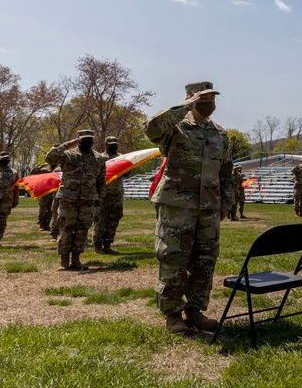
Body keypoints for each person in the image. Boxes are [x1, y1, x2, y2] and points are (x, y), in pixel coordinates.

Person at [145, 82, 234, 333]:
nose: (210, 103)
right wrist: (182, 107)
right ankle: (172, 314)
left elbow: (226, 171)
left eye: (212, 98)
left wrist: (225, 203)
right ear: (191, 99)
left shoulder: (220, 133)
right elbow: (151, 128)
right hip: (177, 204)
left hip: (208, 207)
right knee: (174, 258)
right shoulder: (176, 127)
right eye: (204, 98)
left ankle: (195, 311)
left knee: (204, 261)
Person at [46, 131, 106, 271]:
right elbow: (50, 158)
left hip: (88, 199)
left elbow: (101, 181)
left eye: (90, 139)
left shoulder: (98, 158)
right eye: (84, 139)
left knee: (82, 229)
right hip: (68, 198)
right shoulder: (68, 155)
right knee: (66, 228)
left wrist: (99, 199)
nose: (88, 142)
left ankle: (76, 259)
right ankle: (64, 259)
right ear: (78, 140)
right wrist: (67, 144)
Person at [93, 136, 125, 255]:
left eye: (115, 144)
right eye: (111, 144)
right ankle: (97, 244)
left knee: (114, 219)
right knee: (100, 219)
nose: (113, 146)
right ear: (105, 144)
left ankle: (108, 244)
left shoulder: (122, 157)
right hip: (103, 194)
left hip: (117, 193)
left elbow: (126, 173)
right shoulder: (100, 158)